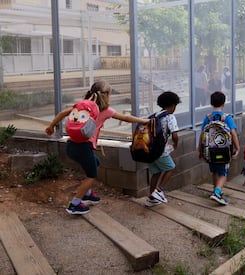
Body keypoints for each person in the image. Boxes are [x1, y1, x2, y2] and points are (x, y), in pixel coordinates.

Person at [45, 80, 150, 215]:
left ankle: (88, 194)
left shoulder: (82, 107)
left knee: (96, 163)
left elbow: (61, 114)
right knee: (91, 175)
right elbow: (126, 118)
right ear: (105, 95)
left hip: (71, 146)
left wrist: (51, 126)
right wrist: (144, 121)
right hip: (83, 148)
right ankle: (75, 204)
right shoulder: (105, 110)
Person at [198, 91, 240, 205]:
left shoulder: (208, 118)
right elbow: (233, 133)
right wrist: (238, 148)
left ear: (211, 103)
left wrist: (199, 149)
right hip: (224, 151)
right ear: (223, 103)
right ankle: (217, 192)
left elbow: (202, 134)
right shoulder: (227, 118)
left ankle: (216, 190)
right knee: (223, 173)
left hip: (210, 151)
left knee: (215, 171)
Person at [145, 91, 181, 207]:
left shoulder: (154, 115)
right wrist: (175, 144)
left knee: (156, 172)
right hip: (160, 150)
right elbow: (175, 135)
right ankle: (159, 191)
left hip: (149, 150)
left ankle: (151, 197)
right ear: (172, 105)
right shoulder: (170, 117)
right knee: (171, 168)